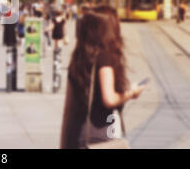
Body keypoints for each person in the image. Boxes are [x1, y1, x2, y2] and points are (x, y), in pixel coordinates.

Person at [60, 12, 146, 149]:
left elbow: (68, 109)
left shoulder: (78, 58)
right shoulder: (104, 58)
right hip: (99, 136)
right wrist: (132, 92)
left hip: (77, 135)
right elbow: (109, 99)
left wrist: (64, 143)